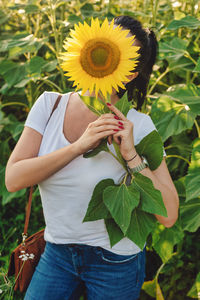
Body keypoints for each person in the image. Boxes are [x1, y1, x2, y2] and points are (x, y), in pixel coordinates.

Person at [5, 15, 179, 300]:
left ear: (131, 73)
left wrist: (132, 156)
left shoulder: (138, 124)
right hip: (57, 253)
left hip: (116, 261)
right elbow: (13, 179)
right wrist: (78, 146)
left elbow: (169, 214)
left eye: (118, 54)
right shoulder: (50, 105)